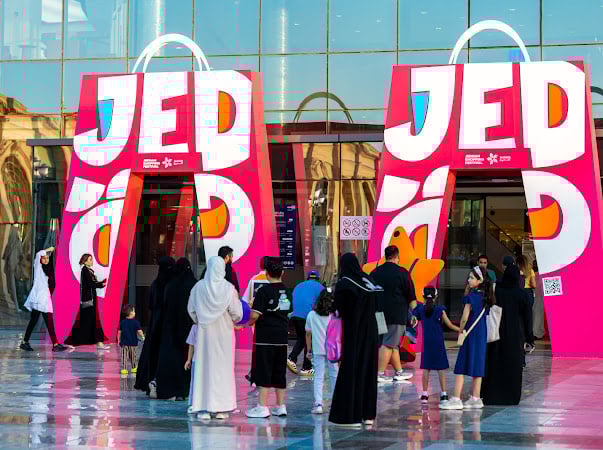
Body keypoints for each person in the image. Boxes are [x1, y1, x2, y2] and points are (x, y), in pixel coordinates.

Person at [329, 253, 382, 427]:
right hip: (372, 333)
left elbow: (337, 310)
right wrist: (380, 334)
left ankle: (351, 415)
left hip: (353, 333)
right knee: (368, 371)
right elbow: (379, 309)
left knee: (351, 371)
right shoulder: (369, 281)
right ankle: (368, 415)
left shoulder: (345, 284)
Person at [188, 256, 243, 420]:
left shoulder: (198, 288)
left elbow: (191, 310)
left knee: (204, 369)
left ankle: (202, 408)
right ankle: (221, 408)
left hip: (205, 335)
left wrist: (200, 320)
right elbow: (237, 314)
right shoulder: (229, 289)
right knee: (222, 370)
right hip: (224, 336)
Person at [482, 264, 534, 405]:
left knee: (494, 363)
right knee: (513, 365)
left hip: (496, 332)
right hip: (515, 335)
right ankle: (511, 397)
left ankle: (491, 395)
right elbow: (528, 318)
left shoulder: (497, 290)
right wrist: (530, 338)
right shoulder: (522, 294)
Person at [246, 258, 292, 419]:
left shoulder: (263, 291)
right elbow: (288, 312)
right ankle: (280, 406)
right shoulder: (287, 291)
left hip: (264, 338)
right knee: (280, 371)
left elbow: (254, 315)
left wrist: (247, 323)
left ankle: (262, 406)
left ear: (267, 273)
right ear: (282, 273)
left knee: (263, 370)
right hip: (282, 338)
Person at [441, 266, 492, 410]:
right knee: (478, 364)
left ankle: (456, 398)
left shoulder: (470, 297)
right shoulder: (486, 298)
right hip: (481, 333)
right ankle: (476, 398)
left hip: (470, 333)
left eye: (471, 278)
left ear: (479, 280)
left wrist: (461, 330)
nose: (468, 280)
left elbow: (464, 317)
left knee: (461, 365)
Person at [371, 245, 416, 382]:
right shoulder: (402, 273)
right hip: (396, 315)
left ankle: (399, 372)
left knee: (392, 344)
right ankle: (380, 374)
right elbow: (411, 296)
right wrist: (415, 314)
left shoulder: (375, 272)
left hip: (379, 314)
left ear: (385, 256)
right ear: (397, 256)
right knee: (389, 344)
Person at [155, 258, 197, 400]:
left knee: (171, 360)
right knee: (188, 359)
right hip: (189, 328)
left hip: (170, 329)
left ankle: (170, 390)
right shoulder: (194, 285)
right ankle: (186, 390)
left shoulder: (170, 286)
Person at [412, 286, 460, 407]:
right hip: (438, 342)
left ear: (423, 296)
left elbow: (413, 321)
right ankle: (444, 394)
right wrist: (461, 330)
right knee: (441, 369)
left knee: (426, 369)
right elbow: (449, 324)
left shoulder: (420, 310)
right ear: (436, 297)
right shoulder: (440, 310)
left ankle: (424, 394)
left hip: (427, 343)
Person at [135, 256, 175, 395]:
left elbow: (151, 304)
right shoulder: (172, 284)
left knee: (152, 352)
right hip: (167, 322)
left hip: (155, 322)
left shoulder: (155, 284)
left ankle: (150, 380)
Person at [20, 248, 66, 352]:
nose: (46, 260)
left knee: (35, 321)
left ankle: (25, 342)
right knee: (48, 321)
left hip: (43, 299)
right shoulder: (38, 267)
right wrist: (49, 249)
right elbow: (38, 254)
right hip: (40, 299)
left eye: (47, 258)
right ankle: (55, 344)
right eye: (43, 258)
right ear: (40, 260)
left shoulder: (47, 270)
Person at [65, 254, 109, 349]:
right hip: (89, 300)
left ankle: (98, 342)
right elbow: (90, 284)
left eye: (91, 259)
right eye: (90, 259)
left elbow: (92, 283)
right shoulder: (85, 270)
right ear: (85, 261)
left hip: (91, 299)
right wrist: (100, 284)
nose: (92, 261)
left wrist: (100, 283)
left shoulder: (88, 270)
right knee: (86, 321)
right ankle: (73, 341)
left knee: (90, 321)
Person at [305, 288, 339, 415]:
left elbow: (308, 334)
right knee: (334, 375)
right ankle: (336, 404)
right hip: (333, 349)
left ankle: (318, 404)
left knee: (318, 376)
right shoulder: (336, 314)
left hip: (318, 349)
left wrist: (309, 350)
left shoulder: (311, 314)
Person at [287, 270, 324, 376]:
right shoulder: (320, 287)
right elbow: (322, 304)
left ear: (308, 278)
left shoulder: (298, 286)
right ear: (318, 278)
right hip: (307, 316)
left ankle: (293, 359)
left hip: (294, 316)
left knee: (302, 338)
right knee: (309, 339)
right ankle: (305, 367)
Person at [118, 304, 144, 374]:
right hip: (133, 343)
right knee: (133, 356)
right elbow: (139, 331)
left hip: (124, 343)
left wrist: (119, 340)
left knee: (124, 357)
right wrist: (143, 337)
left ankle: (124, 369)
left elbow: (119, 332)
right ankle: (134, 368)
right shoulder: (136, 322)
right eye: (134, 311)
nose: (135, 313)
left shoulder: (122, 322)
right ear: (131, 312)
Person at [184, 324, 198, 409]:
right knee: (194, 382)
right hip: (196, 360)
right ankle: (193, 403)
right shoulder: (195, 327)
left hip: (209, 362)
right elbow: (191, 344)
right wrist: (188, 360)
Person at [532, 259, 545, 339]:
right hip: (540, 296)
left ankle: (537, 332)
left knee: (536, 315)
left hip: (536, 296)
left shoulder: (533, 275)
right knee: (539, 315)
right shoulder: (541, 274)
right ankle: (539, 332)